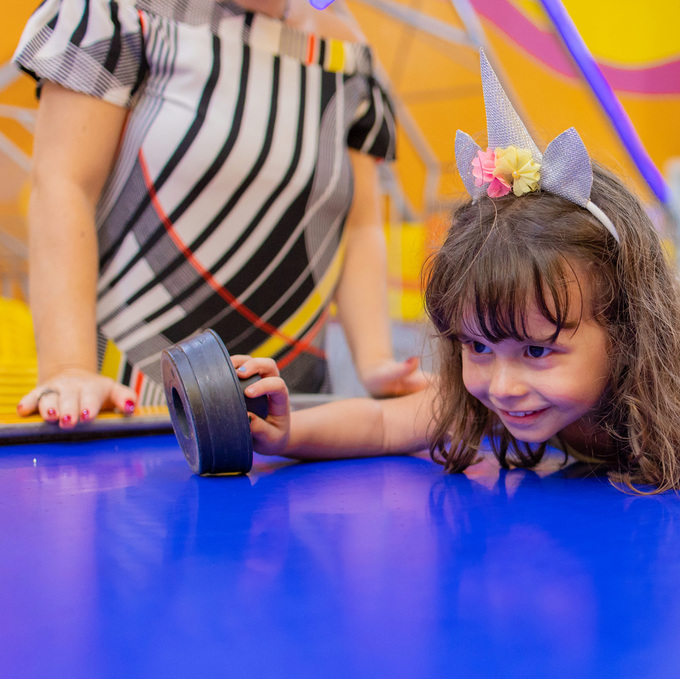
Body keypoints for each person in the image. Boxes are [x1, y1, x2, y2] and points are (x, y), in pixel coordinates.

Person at [232, 53, 680, 529]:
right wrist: (289, 429)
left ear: (623, 330)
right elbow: (391, 425)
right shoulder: (502, 383)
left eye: (538, 351)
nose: (503, 383)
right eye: (477, 346)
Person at [13, 0, 424, 430]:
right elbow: (63, 184)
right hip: (129, 391)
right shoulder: (124, 12)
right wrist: (68, 367)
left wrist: (376, 359)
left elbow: (358, 226)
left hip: (288, 403)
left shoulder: (347, 56)